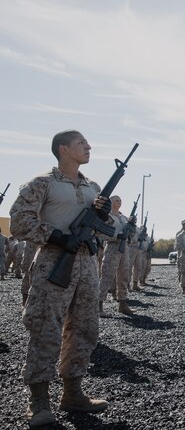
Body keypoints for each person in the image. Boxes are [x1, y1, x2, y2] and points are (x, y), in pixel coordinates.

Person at [10, 130, 111, 428]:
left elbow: (102, 229)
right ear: (63, 149)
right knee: (46, 328)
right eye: (82, 143)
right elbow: (19, 221)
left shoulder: (93, 187)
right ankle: (39, 400)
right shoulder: (42, 183)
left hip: (86, 263)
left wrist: (103, 216)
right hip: (54, 261)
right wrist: (54, 236)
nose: (89, 146)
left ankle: (73, 392)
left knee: (84, 328)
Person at [98, 195, 133, 316]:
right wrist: (116, 236)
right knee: (107, 276)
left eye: (120, 200)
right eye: (116, 200)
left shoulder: (124, 218)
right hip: (112, 247)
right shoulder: (108, 217)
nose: (119, 202)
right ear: (111, 202)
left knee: (124, 276)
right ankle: (99, 305)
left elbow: (131, 236)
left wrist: (131, 228)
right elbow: (101, 234)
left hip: (125, 248)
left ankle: (123, 304)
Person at [174, 219, 185, 291]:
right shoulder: (180, 234)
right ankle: (183, 286)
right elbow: (176, 246)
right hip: (183, 254)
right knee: (183, 271)